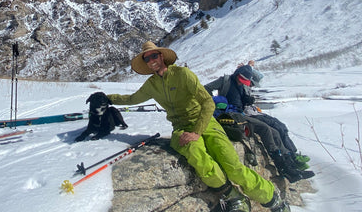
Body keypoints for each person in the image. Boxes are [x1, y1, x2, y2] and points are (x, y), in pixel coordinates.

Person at [106, 41, 290, 212]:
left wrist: (196, 132)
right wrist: (107, 98)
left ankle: (273, 199)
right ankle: (232, 196)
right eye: (147, 58)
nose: (151, 60)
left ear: (162, 57)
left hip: (205, 122)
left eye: (154, 56)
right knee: (197, 156)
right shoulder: (151, 85)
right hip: (181, 128)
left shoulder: (183, 74)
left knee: (233, 167)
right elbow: (131, 99)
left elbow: (208, 103)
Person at [205, 66, 314, 182]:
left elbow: (238, 100)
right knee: (265, 128)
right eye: (241, 79)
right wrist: (215, 102)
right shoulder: (225, 81)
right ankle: (284, 168)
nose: (241, 82)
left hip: (240, 113)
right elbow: (206, 88)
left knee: (275, 132)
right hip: (228, 115)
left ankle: (289, 166)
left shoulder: (241, 85)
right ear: (237, 74)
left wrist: (246, 99)